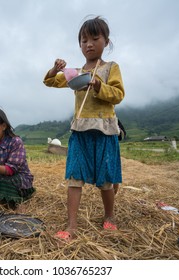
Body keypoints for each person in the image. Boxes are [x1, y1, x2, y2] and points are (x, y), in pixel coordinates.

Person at [43, 16, 125, 240]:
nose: (88, 44)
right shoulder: (76, 72)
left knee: (107, 180)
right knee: (74, 178)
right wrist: (54, 69)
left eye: (94, 38)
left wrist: (98, 84)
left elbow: (118, 95)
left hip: (105, 131)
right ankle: (71, 226)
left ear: (106, 42)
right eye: (83, 40)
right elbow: (50, 81)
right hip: (80, 131)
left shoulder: (111, 68)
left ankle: (109, 216)